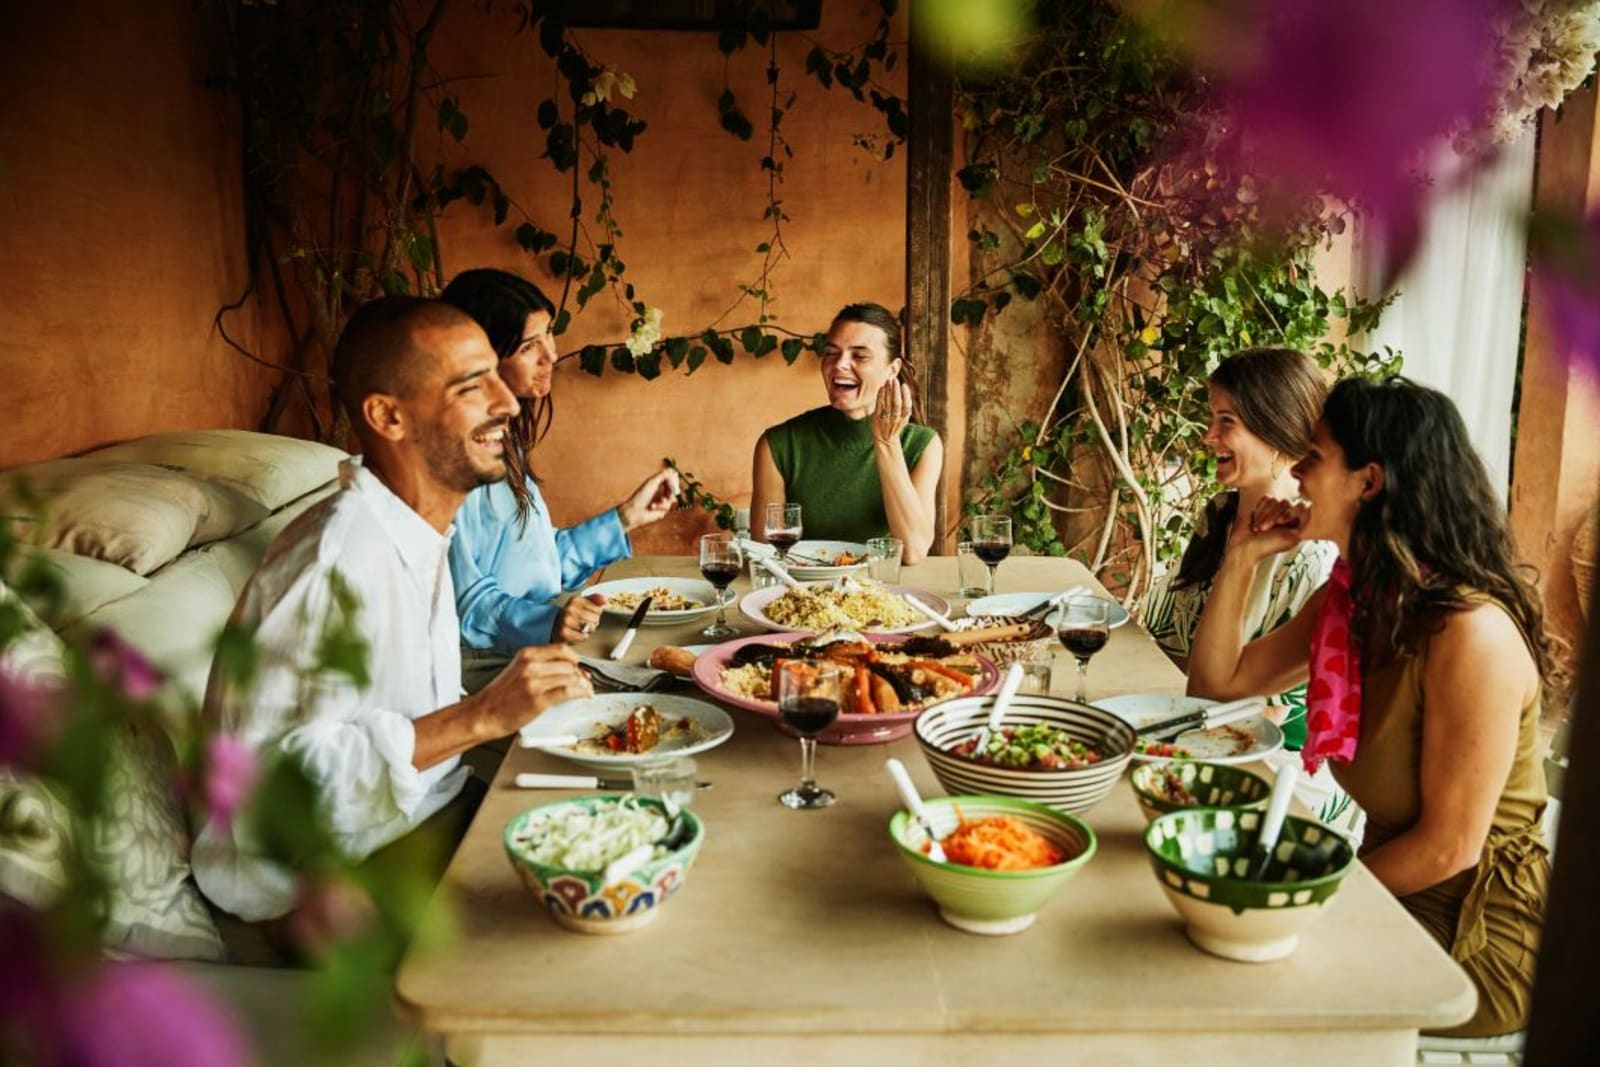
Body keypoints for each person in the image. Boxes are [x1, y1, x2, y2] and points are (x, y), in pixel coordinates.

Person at [192, 297, 594, 922]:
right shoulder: (334, 564)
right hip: (338, 878)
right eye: (470, 387)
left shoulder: (417, 528)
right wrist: (484, 714)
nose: (508, 403)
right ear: (388, 416)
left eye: (496, 373)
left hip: (435, 811)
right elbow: (270, 796)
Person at [1187, 376, 1550, 1038]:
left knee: (1232, 994)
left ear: (1368, 481)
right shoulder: (1355, 602)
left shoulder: (1470, 633)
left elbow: (1448, 847)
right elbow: (1216, 688)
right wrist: (1242, 554)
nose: (1294, 472)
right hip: (1383, 895)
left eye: (1314, 458)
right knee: (1201, 948)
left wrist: (1297, 894)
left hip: (1474, 938)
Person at [439, 269, 678, 676]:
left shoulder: (503, 442)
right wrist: (547, 623)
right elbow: (466, 604)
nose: (551, 354)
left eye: (549, 334)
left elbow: (538, 565)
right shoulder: (458, 460)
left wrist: (626, 517)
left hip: (533, 647)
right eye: (530, 346)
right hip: (489, 667)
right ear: (484, 359)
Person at [1144, 348, 1336, 753]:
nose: (1208, 436)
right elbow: (1164, 635)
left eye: (1226, 422)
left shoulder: (1308, 557)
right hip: (1190, 720)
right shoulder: (1218, 515)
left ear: (1276, 433)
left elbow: (1265, 717)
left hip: (1277, 762)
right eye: (1211, 418)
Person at [749, 302, 943, 562]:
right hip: (805, 594)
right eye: (831, 353)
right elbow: (767, 555)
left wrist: (886, 442)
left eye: (860, 356)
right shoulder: (778, 444)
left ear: (892, 370)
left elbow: (913, 551)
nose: (840, 364)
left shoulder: (923, 444)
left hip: (884, 595)